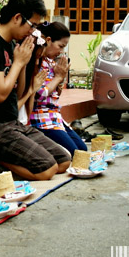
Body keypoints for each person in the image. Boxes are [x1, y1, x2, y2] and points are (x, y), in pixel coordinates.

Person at [0, 0, 71, 181]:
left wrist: (26, 62)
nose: (33, 31)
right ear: (17, 17)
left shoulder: (11, 45)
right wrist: (17, 63)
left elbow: (20, 91)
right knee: (46, 170)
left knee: (63, 160)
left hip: (12, 123)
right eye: (32, 25)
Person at [28, 22, 87, 157]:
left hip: (55, 117)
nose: (61, 51)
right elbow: (39, 94)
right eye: (60, 46)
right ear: (48, 40)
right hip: (41, 119)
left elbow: (55, 94)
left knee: (82, 151)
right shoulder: (38, 62)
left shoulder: (52, 63)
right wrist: (58, 77)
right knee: (74, 154)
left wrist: (60, 79)